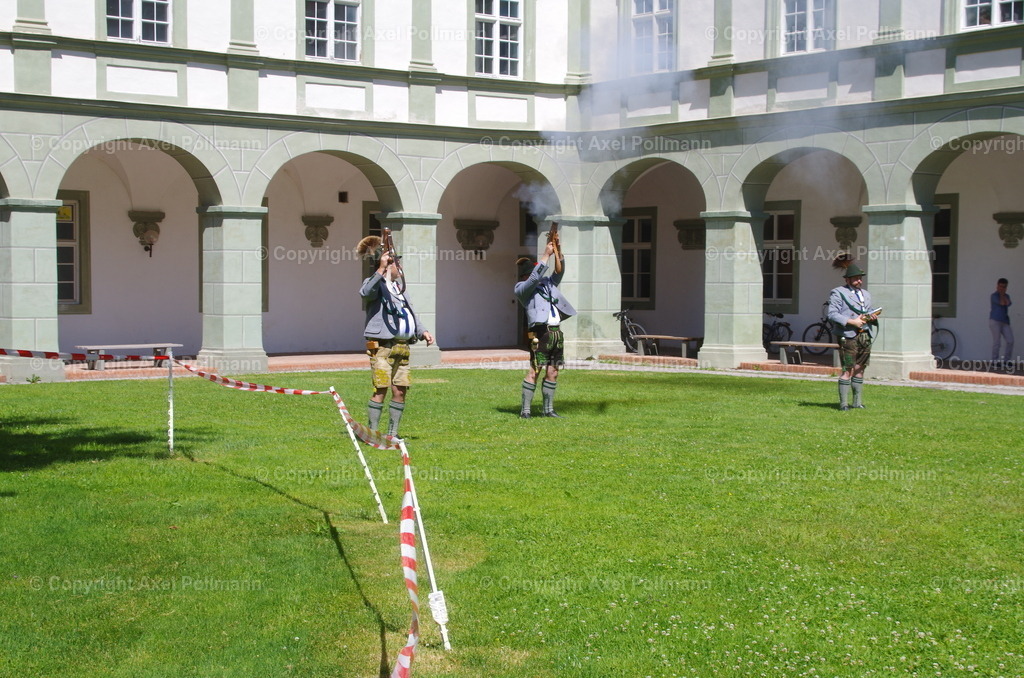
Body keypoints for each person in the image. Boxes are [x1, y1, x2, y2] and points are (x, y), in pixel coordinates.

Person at [357, 235, 434, 438]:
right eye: (397, 263)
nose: (401, 268)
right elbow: (365, 292)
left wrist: (423, 331)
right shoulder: (375, 284)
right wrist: (381, 269)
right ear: (387, 264)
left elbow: (409, 313)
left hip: (403, 347)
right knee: (381, 388)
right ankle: (373, 434)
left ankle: (393, 434)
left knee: (400, 390)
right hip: (383, 347)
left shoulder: (400, 288)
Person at [514, 238, 576, 418]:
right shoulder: (521, 288)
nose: (539, 277)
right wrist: (545, 255)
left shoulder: (547, 283)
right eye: (533, 273)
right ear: (526, 275)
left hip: (556, 332)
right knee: (535, 369)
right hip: (540, 333)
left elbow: (559, 272)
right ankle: (525, 411)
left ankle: (548, 410)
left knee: (553, 370)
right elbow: (534, 278)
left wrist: (557, 252)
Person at [828, 257, 879, 411]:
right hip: (848, 334)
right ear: (848, 279)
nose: (859, 281)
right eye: (856, 278)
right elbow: (832, 314)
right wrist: (852, 322)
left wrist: (872, 316)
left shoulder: (866, 294)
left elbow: (866, 311)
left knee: (860, 368)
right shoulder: (838, 292)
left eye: (860, 278)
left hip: (865, 334)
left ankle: (857, 402)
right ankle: (844, 404)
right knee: (847, 368)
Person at [989, 278, 1013, 369]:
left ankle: (1006, 360)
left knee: (1010, 340)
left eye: (1004, 287)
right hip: (995, 321)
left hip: (1005, 321)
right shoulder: (994, 296)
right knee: (997, 342)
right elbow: (1002, 303)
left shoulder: (1007, 296)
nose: (1002, 288)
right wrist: (1002, 294)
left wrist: (1003, 295)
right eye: (1001, 286)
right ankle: (994, 361)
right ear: (997, 286)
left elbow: (1008, 303)